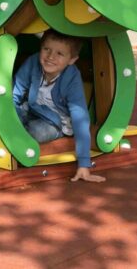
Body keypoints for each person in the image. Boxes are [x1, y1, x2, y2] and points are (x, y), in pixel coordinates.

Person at [13, 30, 106, 183]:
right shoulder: (32, 62)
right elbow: (14, 94)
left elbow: (80, 117)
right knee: (10, 115)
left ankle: (16, 142)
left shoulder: (71, 78)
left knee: (37, 132)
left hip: (54, 122)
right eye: (46, 49)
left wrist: (84, 163)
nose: (50, 57)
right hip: (31, 109)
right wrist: (10, 117)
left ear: (72, 59)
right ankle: (11, 135)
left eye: (60, 53)